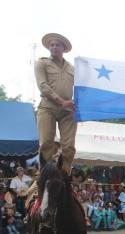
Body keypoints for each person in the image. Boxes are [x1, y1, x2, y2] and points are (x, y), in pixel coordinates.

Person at [34, 33, 76, 173]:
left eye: (57, 45)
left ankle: (64, 175)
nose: (54, 47)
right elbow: (43, 85)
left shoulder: (73, 68)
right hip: (47, 107)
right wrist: (61, 102)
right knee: (47, 143)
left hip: (68, 111)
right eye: (51, 44)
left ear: (63, 48)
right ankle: (45, 175)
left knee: (69, 147)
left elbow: (82, 87)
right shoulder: (42, 63)